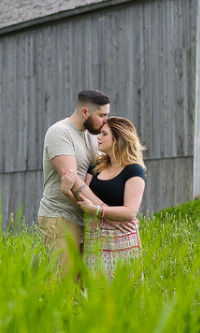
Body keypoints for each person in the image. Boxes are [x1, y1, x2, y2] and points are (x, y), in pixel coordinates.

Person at [38, 90, 133, 276]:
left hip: (88, 219)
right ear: (85, 112)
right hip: (62, 217)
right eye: (102, 116)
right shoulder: (60, 133)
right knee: (64, 284)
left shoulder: (92, 135)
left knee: (84, 287)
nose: (105, 121)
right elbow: (74, 183)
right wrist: (109, 214)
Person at [62, 116, 146, 279]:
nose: (98, 137)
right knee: (96, 293)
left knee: (123, 292)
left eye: (104, 134)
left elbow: (130, 211)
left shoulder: (134, 170)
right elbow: (84, 203)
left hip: (121, 239)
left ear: (118, 139)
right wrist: (67, 191)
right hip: (95, 238)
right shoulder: (96, 165)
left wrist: (97, 210)